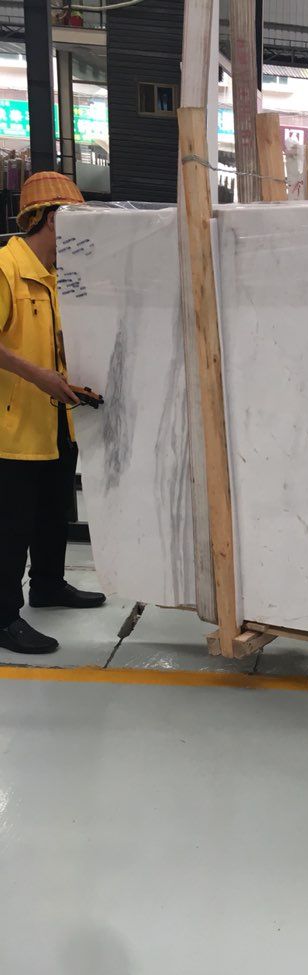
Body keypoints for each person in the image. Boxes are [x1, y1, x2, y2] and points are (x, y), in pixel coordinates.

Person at [0, 171, 105, 655]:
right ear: (50, 218)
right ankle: (3, 619)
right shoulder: (6, 269)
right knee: (11, 526)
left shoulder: (57, 277)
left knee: (53, 511)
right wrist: (38, 376)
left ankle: (47, 584)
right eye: (76, 218)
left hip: (57, 421)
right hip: (13, 427)